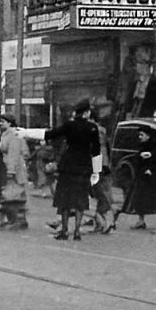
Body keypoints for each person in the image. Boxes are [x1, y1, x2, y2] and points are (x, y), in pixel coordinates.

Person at [45, 99, 101, 240]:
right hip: (83, 167)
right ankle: (77, 231)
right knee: (80, 201)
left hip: (68, 166)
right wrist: (96, 171)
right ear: (87, 113)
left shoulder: (69, 125)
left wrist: (25, 132)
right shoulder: (93, 128)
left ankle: (64, 231)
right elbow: (96, 151)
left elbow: (51, 134)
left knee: (65, 200)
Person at [0, 113, 29, 230]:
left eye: (3, 122)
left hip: (14, 169)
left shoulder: (13, 135)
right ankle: (19, 220)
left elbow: (14, 154)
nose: (1, 124)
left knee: (12, 196)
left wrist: (11, 170)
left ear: (10, 123)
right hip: (9, 166)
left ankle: (16, 220)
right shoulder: (7, 134)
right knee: (14, 195)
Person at [129, 129, 156, 230]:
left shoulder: (155, 146)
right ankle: (141, 220)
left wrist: (152, 169)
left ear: (148, 136)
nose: (140, 137)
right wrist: (139, 156)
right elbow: (136, 158)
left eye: (142, 135)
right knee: (138, 198)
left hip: (151, 176)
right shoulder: (141, 146)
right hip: (142, 176)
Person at [90, 117, 116, 234]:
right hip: (103, 166)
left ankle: (104, 221)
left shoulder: (94, 130)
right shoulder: (102, 130)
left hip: (96, 166)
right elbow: (107, 148)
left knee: (98, 193)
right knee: (101, 193)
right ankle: (102, 222)